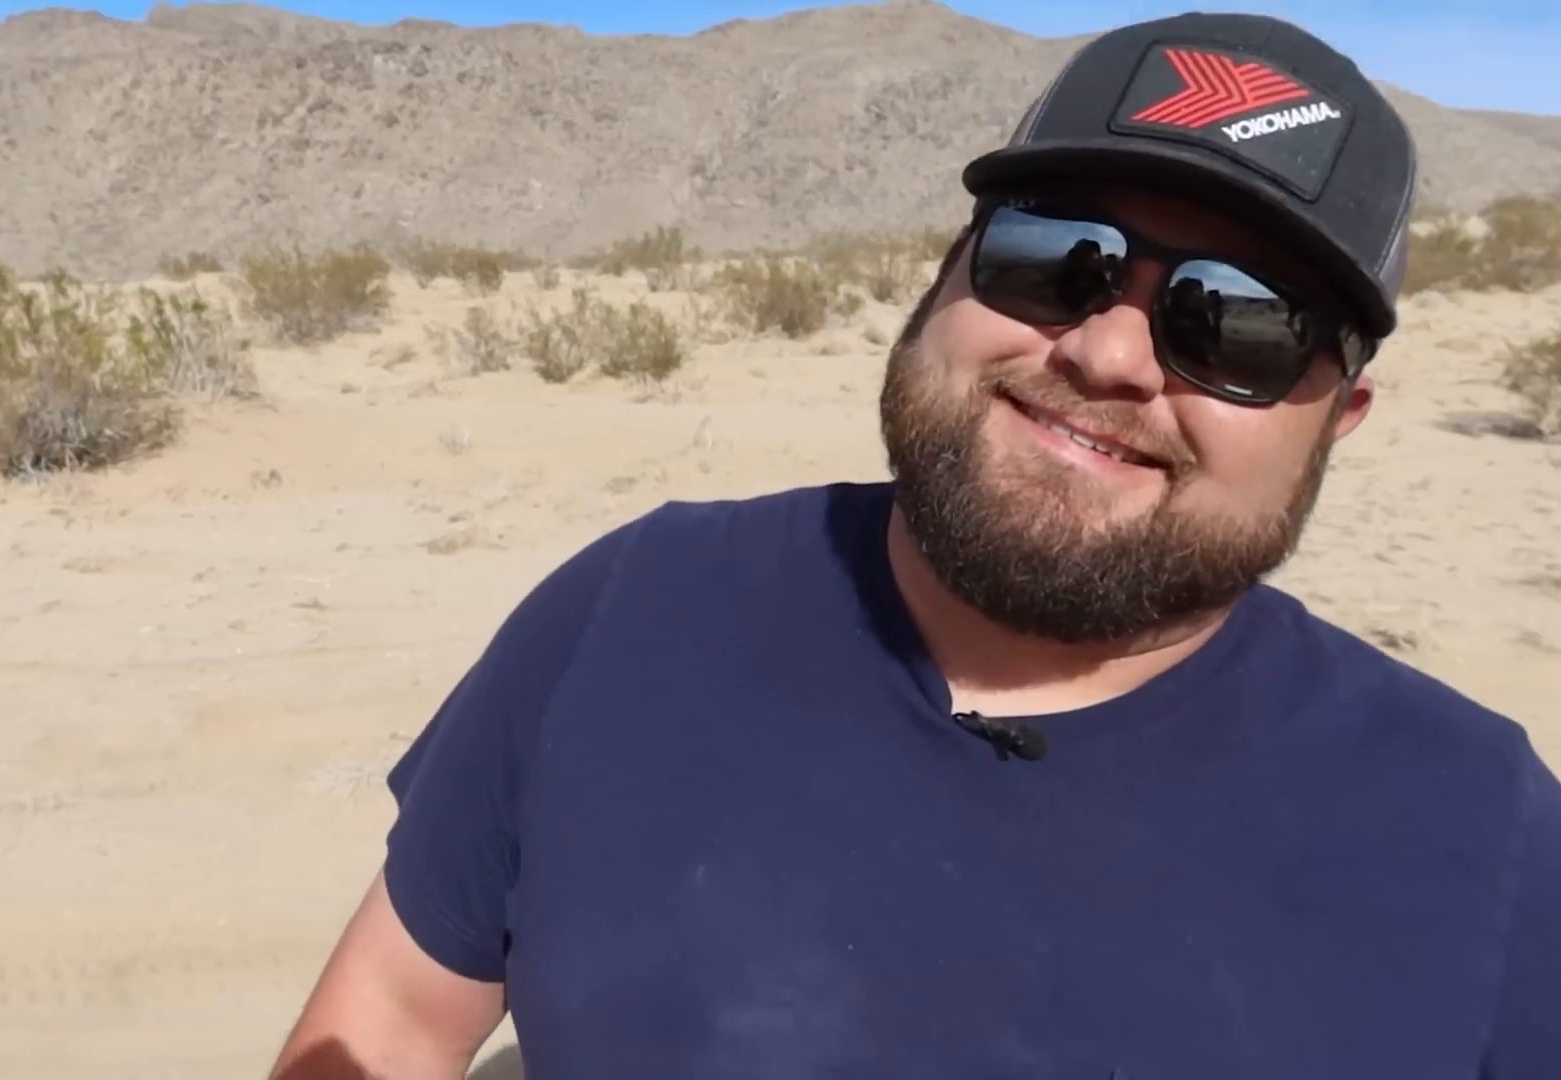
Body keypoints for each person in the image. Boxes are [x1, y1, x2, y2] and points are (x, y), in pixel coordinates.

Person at [270, 11, 1560, 1079]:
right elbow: (384, 1021)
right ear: (944, 279)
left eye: (1243, 327)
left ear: (1340, 417)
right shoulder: (634, 608)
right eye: (1057, 257)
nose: (1107, 353)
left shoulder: (1486, 836)